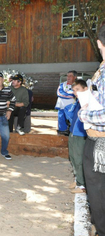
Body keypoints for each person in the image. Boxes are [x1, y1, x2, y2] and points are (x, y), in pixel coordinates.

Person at [78, 23, 105, 236]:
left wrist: (84, 113)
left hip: (100, 142)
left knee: (98, 195)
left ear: (99, 43)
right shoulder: (100, 70)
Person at [64, 80, 87, 194]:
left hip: (80, 135)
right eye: (73, 90)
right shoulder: (78, 101)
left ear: (85, 89)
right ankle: (78, 179)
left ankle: (82, 185)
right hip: (73, 133)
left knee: (79, 159)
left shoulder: (87, 102)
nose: (75, 92)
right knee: (72, 157)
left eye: (78, 89)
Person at [55, 70, 77, 136]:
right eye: (67, 76)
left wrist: (68, 93)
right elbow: (59, 93)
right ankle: (62, 131)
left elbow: (77, 94)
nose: (68, 77)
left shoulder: (77, 85)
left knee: (71, 119)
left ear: (75, 77)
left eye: (70, 76)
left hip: (72, 107)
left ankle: (72, 132)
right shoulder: (62, 84)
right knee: (61, 119)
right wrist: (71, 94)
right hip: (61, 106)